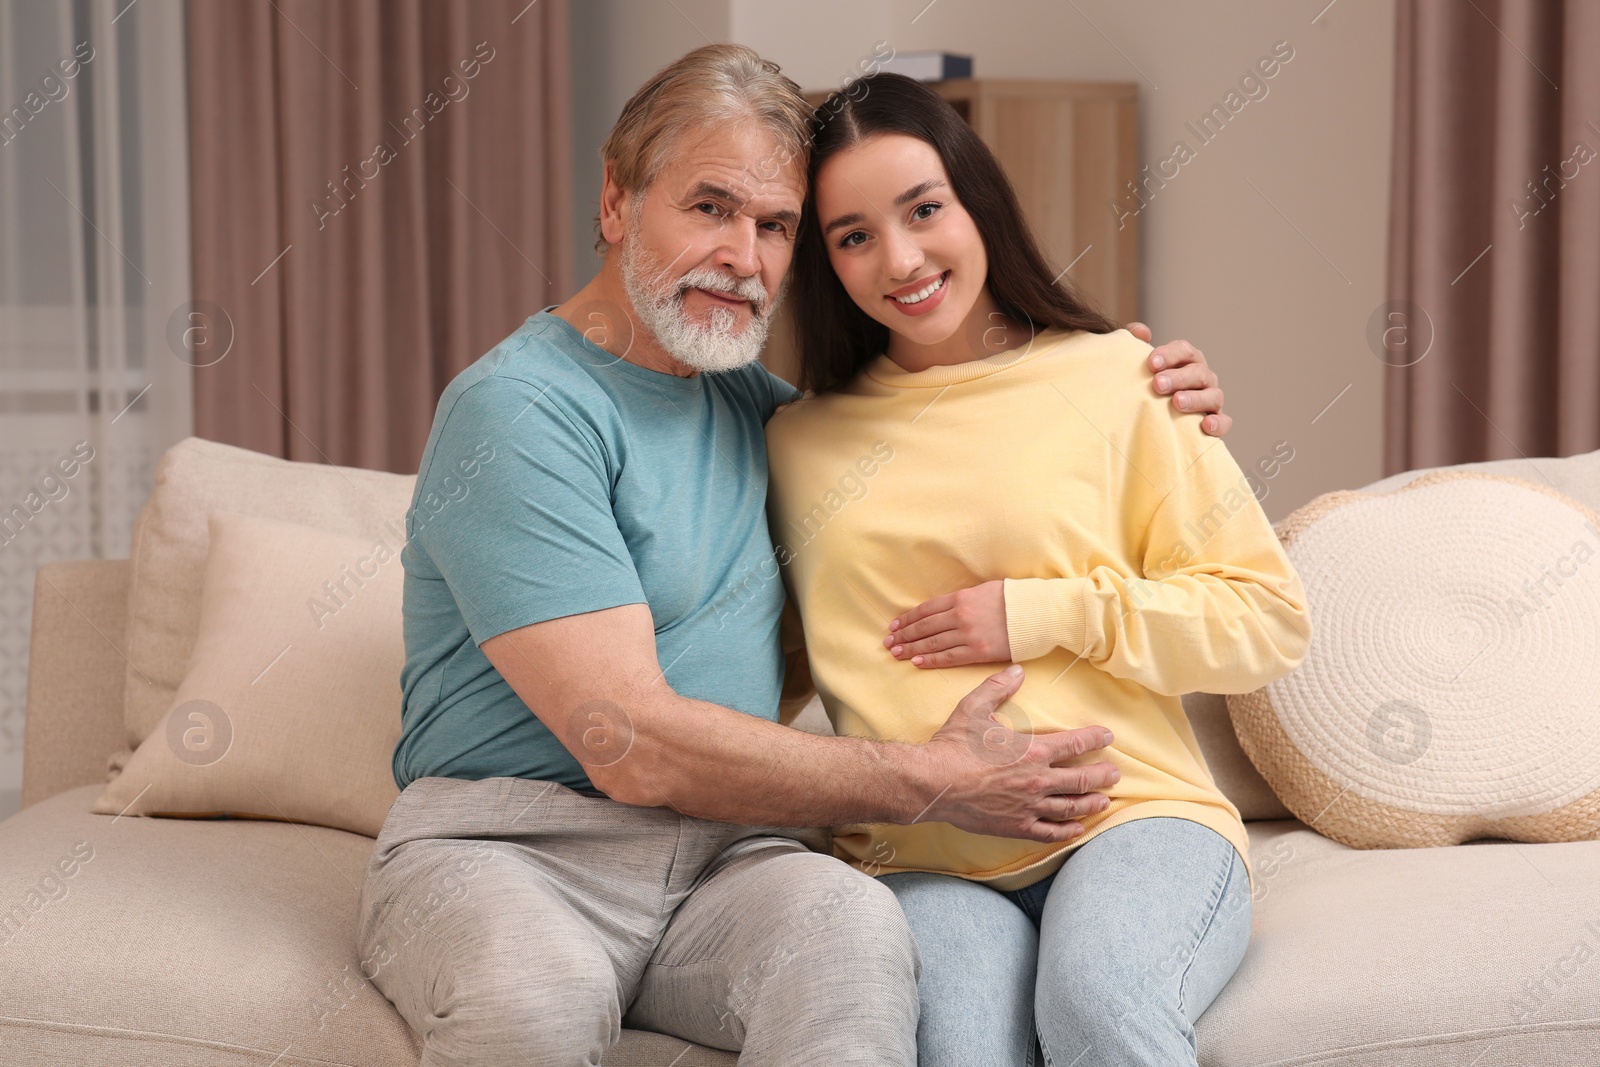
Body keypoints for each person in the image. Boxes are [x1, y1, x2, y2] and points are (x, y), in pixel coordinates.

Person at [355, 45, 1234, 1067]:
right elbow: (627, 738)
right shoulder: (519, 410)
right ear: (615, 201)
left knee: (854, 942)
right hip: (508, 847)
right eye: (710, 207)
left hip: (729, 852)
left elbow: (938, 451)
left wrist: (1113, 378)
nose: (745, 255)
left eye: (774, 226)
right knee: (537, 994)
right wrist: (927, 779)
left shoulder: (766, 418)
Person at [764, 72, 1312, 1067]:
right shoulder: (794, 443)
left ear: (976, 200)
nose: (901, 258)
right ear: (822, 259)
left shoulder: (1118, 377)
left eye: (923, 209)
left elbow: (1267, 619)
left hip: (1132, 817)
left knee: (1096, 1001)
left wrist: (1044, 611)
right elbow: (767, 661)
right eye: (851, 235)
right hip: (922, 857)